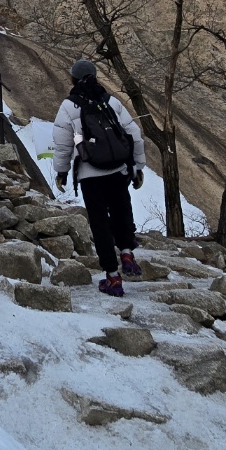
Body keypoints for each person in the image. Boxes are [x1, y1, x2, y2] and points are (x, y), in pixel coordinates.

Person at [52, 59, 145, 297]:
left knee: (100, 222)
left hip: (90, 174)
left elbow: (63, 145)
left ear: (73, 79)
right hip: (118, 169)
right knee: (122, 210)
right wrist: (137, 166)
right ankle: (126, 252)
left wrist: (61, 172)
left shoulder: (68, 107)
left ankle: (113, 279)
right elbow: (132, 133)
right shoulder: (110, 101)